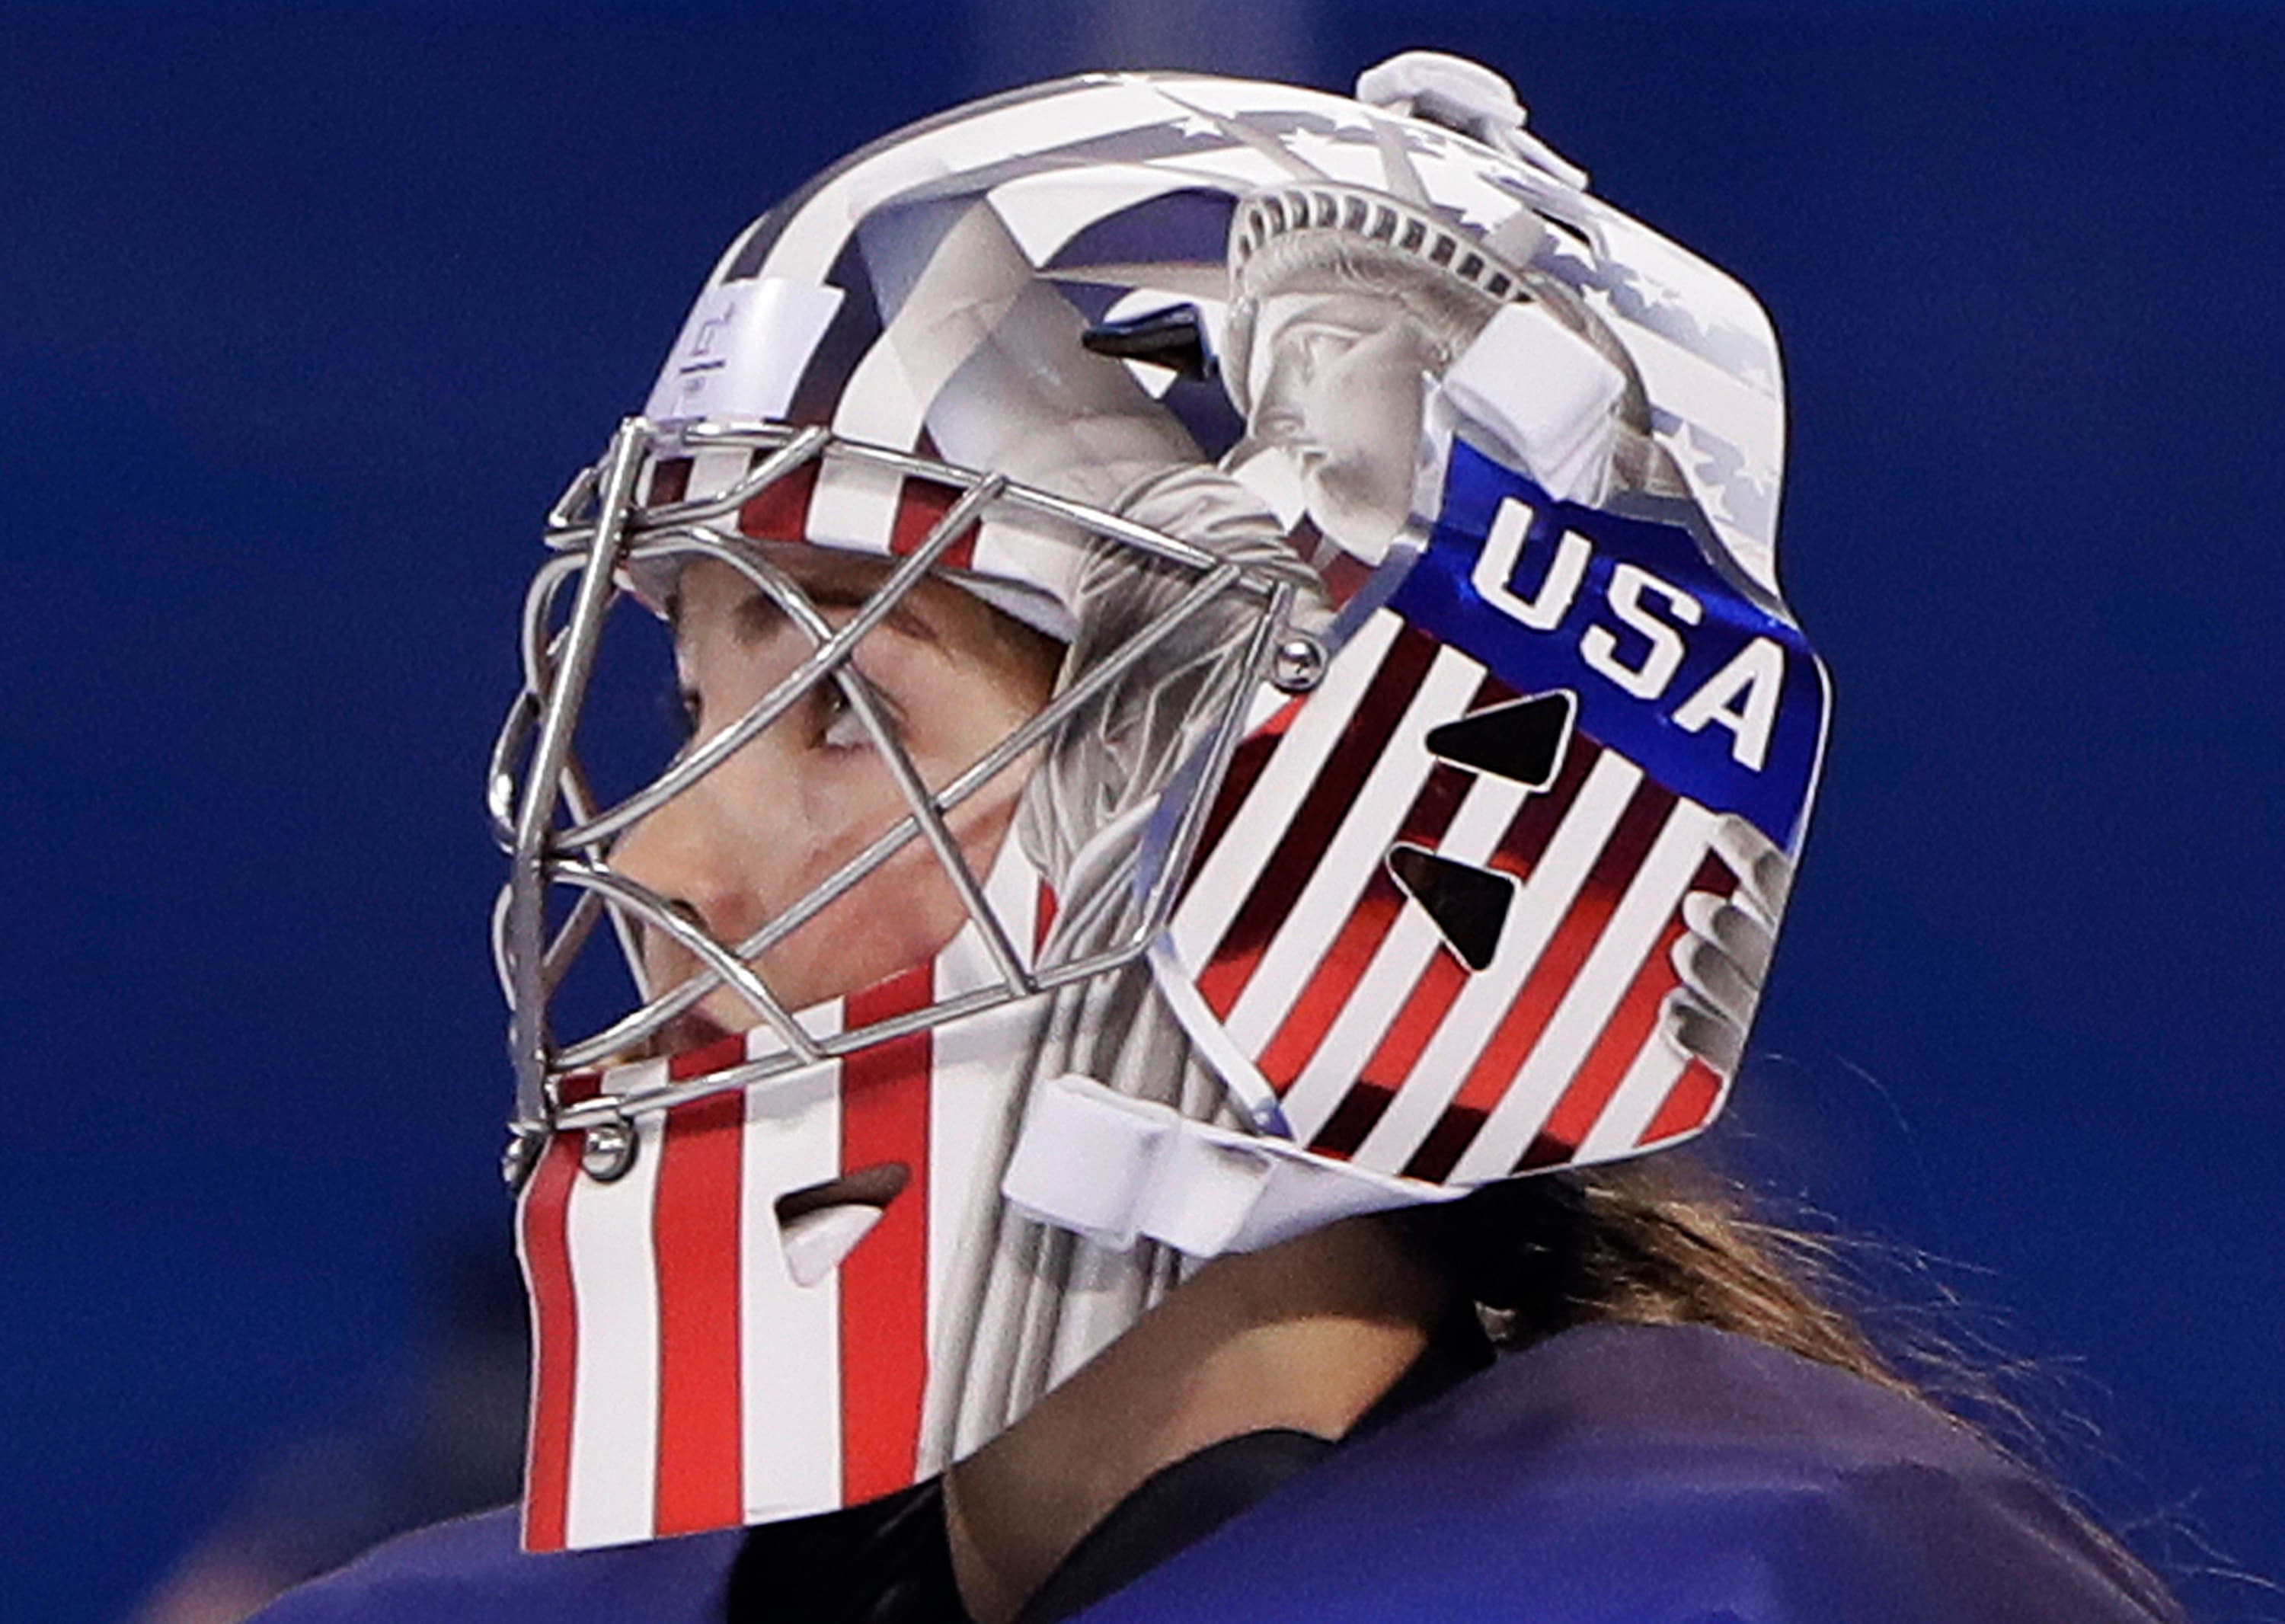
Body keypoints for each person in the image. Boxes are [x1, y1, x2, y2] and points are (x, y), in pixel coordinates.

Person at [254, 53, 2184, 1624]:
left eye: (851, 710)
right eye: (694, 710)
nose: (668, 862)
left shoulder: (1744, 1585)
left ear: (1334, 796)